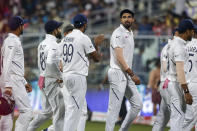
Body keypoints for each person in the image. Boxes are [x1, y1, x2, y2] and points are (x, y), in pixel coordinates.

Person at [59, 14, 104, 131]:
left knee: (78, 109)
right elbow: (97, 58)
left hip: (66, 75)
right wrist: (97, 45)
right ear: (84, 24)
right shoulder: (83, 37)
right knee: (74, 110)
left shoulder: (66, 38)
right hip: (77, 76)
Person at [105, 9, 143, 131]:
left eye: (129, 17)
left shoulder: (130, 32)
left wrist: (129, 74)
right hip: (118, 72)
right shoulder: (118, 33)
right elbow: (119, 57)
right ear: (121, 19)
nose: (127, 19)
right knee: (114, 108)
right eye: (124, 17)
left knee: (137, 105)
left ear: (133, 19)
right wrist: (132, 74)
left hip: (126, 73)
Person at [27, 20, 65, 131]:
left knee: (47, 111)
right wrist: (59, 76)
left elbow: (40, 62)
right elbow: (50, 62)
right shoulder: (53, 44)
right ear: (54, 31)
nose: (60, 30)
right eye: (58, 28)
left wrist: (43, 76)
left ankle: (30, 128)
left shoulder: (42, 44)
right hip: (51, 80)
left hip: (42, 78)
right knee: (59, 112)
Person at [0, 16, 33, 131]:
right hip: (12, 80)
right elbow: (7, 63)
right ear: (19, 27)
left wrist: (24, 82)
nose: (23, 26)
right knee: (27, 111)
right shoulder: (12, 42)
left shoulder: (10, 41)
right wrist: (8, 84)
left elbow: (14, 65)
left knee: (7, 112)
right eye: (22, 25)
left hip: (12, 79)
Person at [166, 19, 193, 131]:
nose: (193, 33)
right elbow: (180, 70)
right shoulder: (179, 46)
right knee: (178, 117)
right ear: (187, 31)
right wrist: (186, 91)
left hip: (173, 82)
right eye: (192, 31)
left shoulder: (174, 43)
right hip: (175, 83)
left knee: (182, 117)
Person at [152, 28, 179, 131]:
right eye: (178, 34)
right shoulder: (176, 48)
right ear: (173, 35)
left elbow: (163, 67)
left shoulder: (165, 47)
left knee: (162, 117)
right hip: (172, 83)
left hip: (164, 84)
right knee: (177, 116)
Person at [183, 25, 197, 131]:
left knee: (189, 117)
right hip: (195, 82)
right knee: (192, 118)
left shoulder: (186, 45)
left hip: (187, 83)